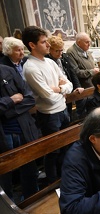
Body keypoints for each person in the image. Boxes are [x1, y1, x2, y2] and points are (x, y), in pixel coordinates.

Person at [22, 26, 73, 183]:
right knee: (53, 151)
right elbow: (48, 97)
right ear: (32, 45)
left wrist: (59, 88)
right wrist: (60, 89)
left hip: (63, 109)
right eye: (44, 42)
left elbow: (69, 85)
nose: (48, 45)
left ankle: (67, 177)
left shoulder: (50, 62)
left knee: (68, 146)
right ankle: (52, 182)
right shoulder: (30, 68)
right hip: (49, 114)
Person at [0, 64, 39, 200]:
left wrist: (6, 112)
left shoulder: (8, 70)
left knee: (30, 170)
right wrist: (10, 100)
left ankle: (31, 200)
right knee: (5, 177)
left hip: (24, 129)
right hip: (3, 136)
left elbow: (30, 99)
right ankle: (8, 212)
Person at [46, 36, 83, 119]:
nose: (60, 53)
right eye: (57, 51)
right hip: (57, 95)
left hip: (67, 89)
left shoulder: (65, 57)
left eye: (61, 50)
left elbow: (72, 72)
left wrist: (77, 86)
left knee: (69, 116)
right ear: (50, 49)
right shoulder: (47, 60)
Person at [66, 32, 99, 117]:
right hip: (82, 89)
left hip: (92, 86)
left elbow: (93, 64)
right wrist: (92, 71)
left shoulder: (86, 51)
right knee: (83, 115)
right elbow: (76, 72)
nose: (89, 44)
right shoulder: (71, 52)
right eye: (86, 42)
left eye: (89, 42)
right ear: (79, 42)